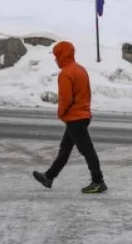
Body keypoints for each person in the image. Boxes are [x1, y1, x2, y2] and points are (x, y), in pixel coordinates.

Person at [33, 40, 107, 194]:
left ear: (62, 55)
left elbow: (65, 98)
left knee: (87, 150)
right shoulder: (80, 70)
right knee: (65, 149)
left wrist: (61, 113)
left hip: (75, 117)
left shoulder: (66, 73)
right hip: (82, 115)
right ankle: (49, 176)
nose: (55, 59)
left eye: (56, 56)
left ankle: (98, 181)